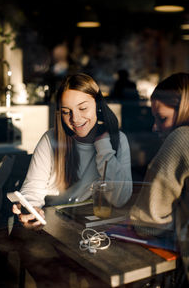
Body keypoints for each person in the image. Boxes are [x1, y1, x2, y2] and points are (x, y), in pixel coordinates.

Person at [11, 73, 132, 287]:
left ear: (98, 105)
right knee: (57, 277)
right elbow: (32, 190)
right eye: (66, 112)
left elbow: (120, 198)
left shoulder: (117, 140)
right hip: (48, 231)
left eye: (83, 108)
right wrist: (32, 208)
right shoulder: (51, 139)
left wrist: (103, 147)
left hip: (88, 230)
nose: (75, 119)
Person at [129, 72, 189, 285]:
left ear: (183, 109)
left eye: (161, 118)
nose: (154, 127)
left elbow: (147, 221)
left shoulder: (181, 138)